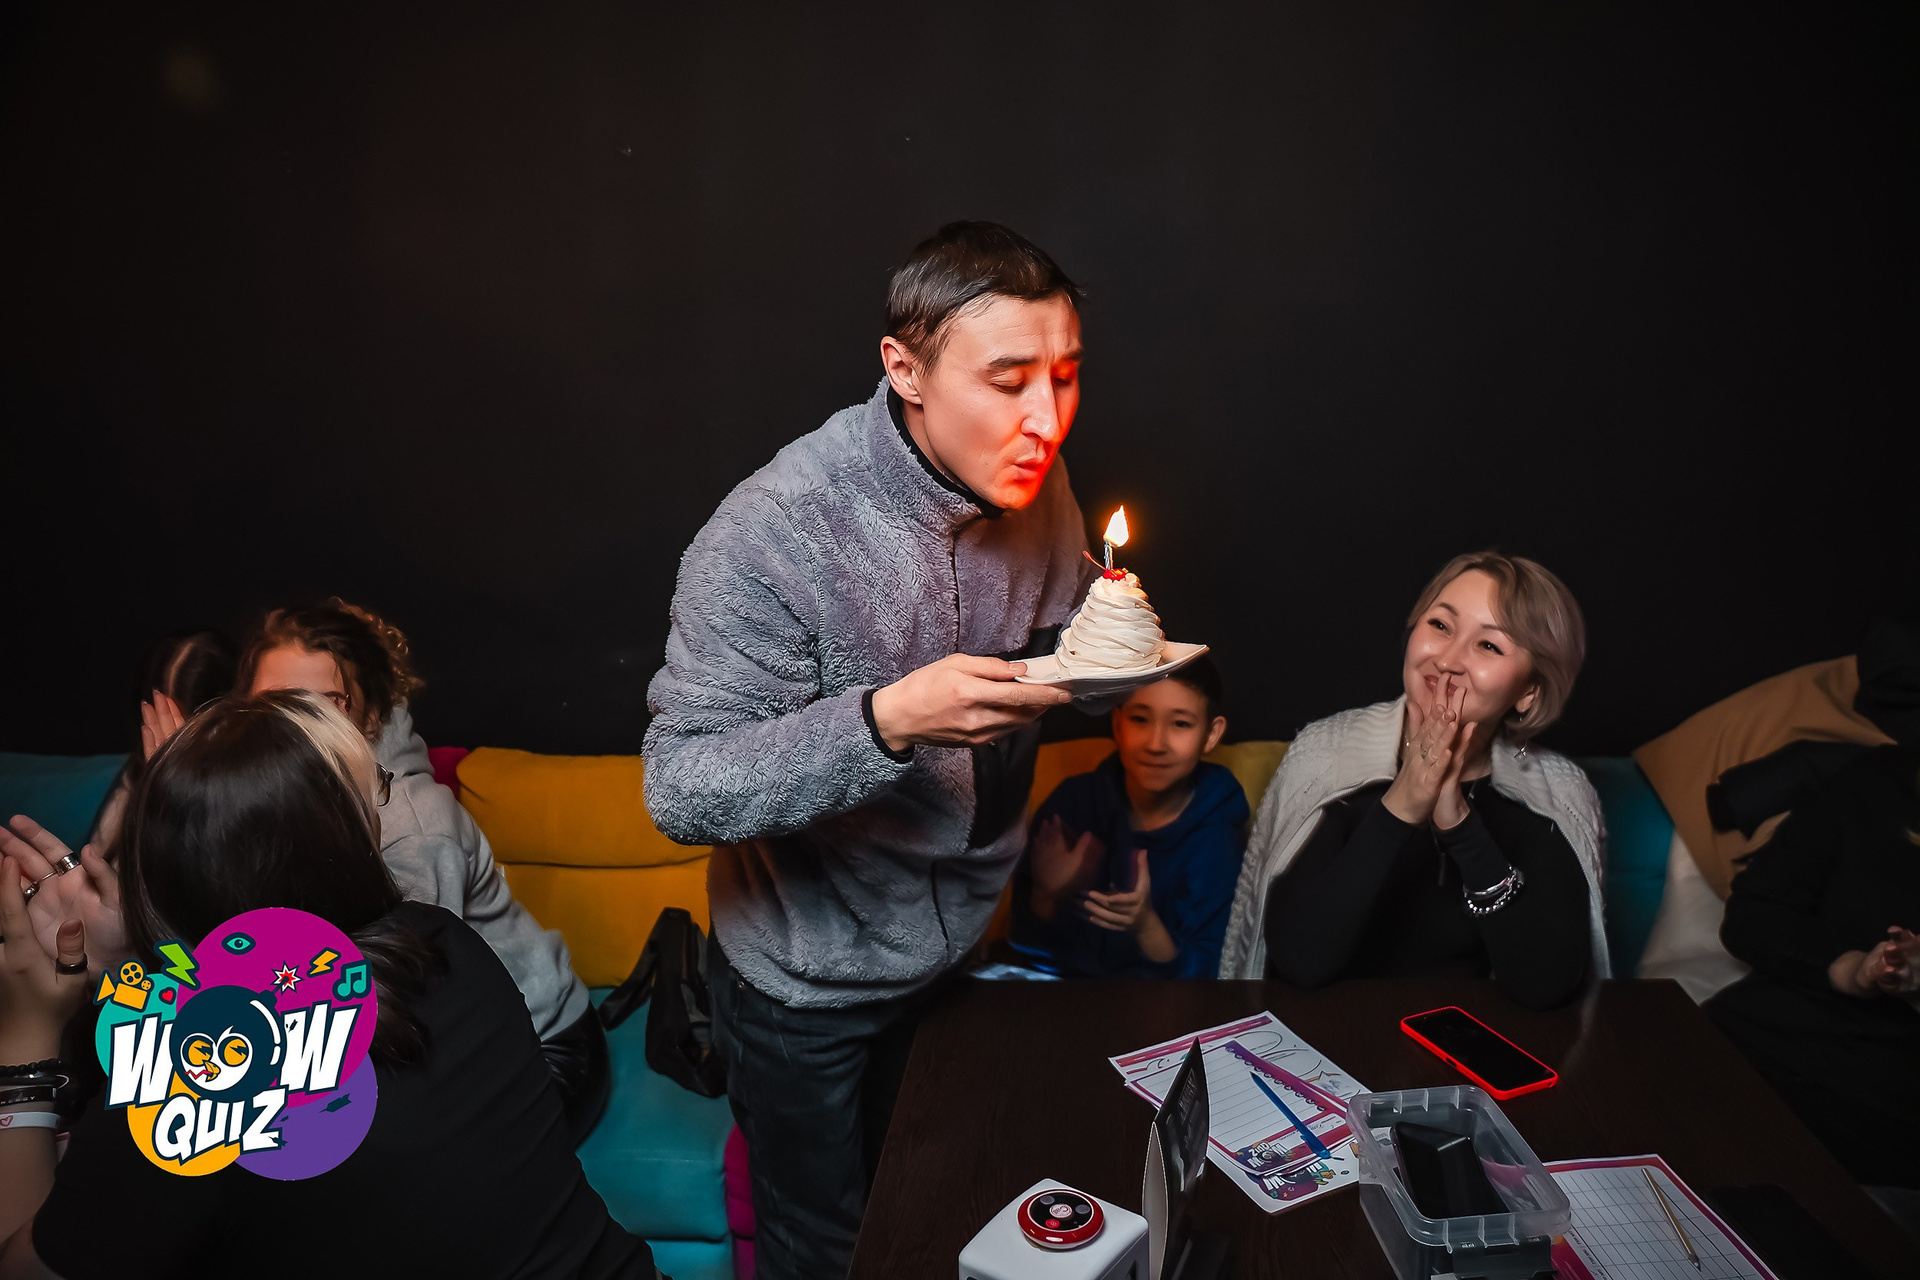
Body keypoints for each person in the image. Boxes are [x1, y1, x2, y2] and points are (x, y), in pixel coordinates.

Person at [643, 221, 1094, 1278]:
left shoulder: (1038, 472)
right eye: (1009, 380)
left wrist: (1106, 631)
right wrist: (886, 720)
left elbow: (1063, 615)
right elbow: (682, 786)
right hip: (804, 992)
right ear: (906, 368)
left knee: (934, 1211)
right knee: (828, 1251)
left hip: (957, 953)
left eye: (1066, 376)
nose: (1046, 417)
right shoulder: (772, 533)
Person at [0, 691, 662, 1279]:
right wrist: (139, 959)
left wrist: (27, 1031)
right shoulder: (442, 944)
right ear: (342, 835)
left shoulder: (183, 1090)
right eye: (376, 792)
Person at [235, 600, 607, 1144]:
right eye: (275, 705)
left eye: (323, 705)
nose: (296, 729)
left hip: (544, 1048)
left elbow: (409, 1004)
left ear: (368, 717)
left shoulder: (411, 826)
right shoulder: (275, 799)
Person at [1219, 551, 1609, 1009]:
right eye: (1440, 625)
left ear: (1529, 692)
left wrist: (1459, 824)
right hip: (1329, 1031)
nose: (1447, 660)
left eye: (1488, 646)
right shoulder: (1328, 752)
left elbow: (1544, 984)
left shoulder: (1557, 792)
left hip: (1473, 1040)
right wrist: (1403, 803)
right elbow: (1299, 960)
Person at [1705, 744, 1920, 1201]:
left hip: (1889, 1109)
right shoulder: (1877, 779)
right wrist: (1849, 969)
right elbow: (1753, 912)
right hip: (1761, 1036)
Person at [1010, 657, 1249, 978]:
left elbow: (1214, 972)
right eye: (1139, 719)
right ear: (1117, 724)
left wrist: (1146, 926)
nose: (1155, 744)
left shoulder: (1215, 837)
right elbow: (1023, 946)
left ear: (1211, 734)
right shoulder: (1075, 801)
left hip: (1160, 1000)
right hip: (1060, 991)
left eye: (1180, 724)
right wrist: (1047, 895)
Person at [86, 628, 239, 855]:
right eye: (157, 722)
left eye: (186, 729)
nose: (166, 742)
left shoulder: (252, 793)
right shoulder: (128, 797)